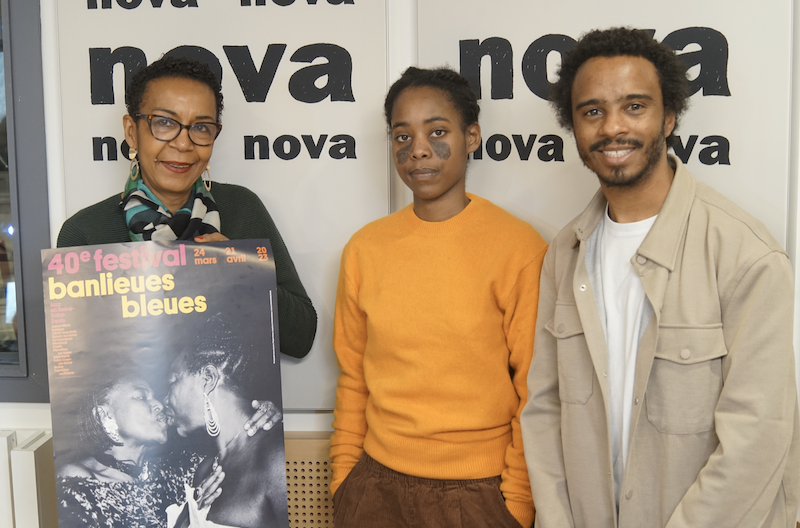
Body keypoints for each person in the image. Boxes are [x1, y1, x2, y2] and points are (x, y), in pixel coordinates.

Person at [520, 27, 800, 528]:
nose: (612, 127)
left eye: (634, 106)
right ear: (573, 126)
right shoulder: (565, 252)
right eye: (592, 111)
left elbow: (758, 437)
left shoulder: (746, 254)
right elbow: (544, 411)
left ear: (669, 117)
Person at [330, 67, 548, 528]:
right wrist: (344, 482)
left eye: (437, 131)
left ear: (472, 137)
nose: (418, 149)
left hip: (479, 493)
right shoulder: (365, 249)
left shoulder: (518, 248)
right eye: (402, 136)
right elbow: (353, 377)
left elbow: (536, 389)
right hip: (373, 488)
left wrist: (516, 504)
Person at [56, 56, 316, 359]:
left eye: (201, 127)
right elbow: (76, 360)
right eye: (164, 123)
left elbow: (301, 339)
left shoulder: (242, 207)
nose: (183, 144)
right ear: (131, 131)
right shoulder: (85, 233)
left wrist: (243, 273)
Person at [164, 320, 287, 528]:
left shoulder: (277, 457)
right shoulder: (204, 471)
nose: (165, 399)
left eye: (173, 380)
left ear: (208, 379)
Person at [55, 376, 215, 528]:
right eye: (141, 397)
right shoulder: (77, 480)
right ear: (103, 415)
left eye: (154, 397)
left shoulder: (179, 470)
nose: (159, 405)